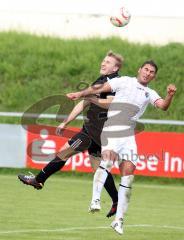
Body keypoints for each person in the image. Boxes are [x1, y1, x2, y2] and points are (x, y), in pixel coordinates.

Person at [67, 60, 177, 234]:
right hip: (113, 127)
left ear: (154, 76)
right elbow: (98, 89)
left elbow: (163, 106)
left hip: (129, 134)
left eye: (151, 72)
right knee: (108, 162)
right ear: (139, 69)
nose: (148, 73)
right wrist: (79, 93)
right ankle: (95, 200)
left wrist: (170, 95)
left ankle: (118, 221)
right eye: (146, 69)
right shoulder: (124, 81)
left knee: (128, 176)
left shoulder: (150, 92)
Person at [18, 50, 124, 218]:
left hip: (92, 133)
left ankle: (38, 180)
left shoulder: (116, 82)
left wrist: (92, 99)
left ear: (115, 68)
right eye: (103, 61)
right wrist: (65, 122)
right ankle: (118, 201)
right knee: (99, 169)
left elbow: (111, 103)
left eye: (107, 62)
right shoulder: (101, 80)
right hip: (95, 133)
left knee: (63, 153)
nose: (103, 64)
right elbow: (83, 102)